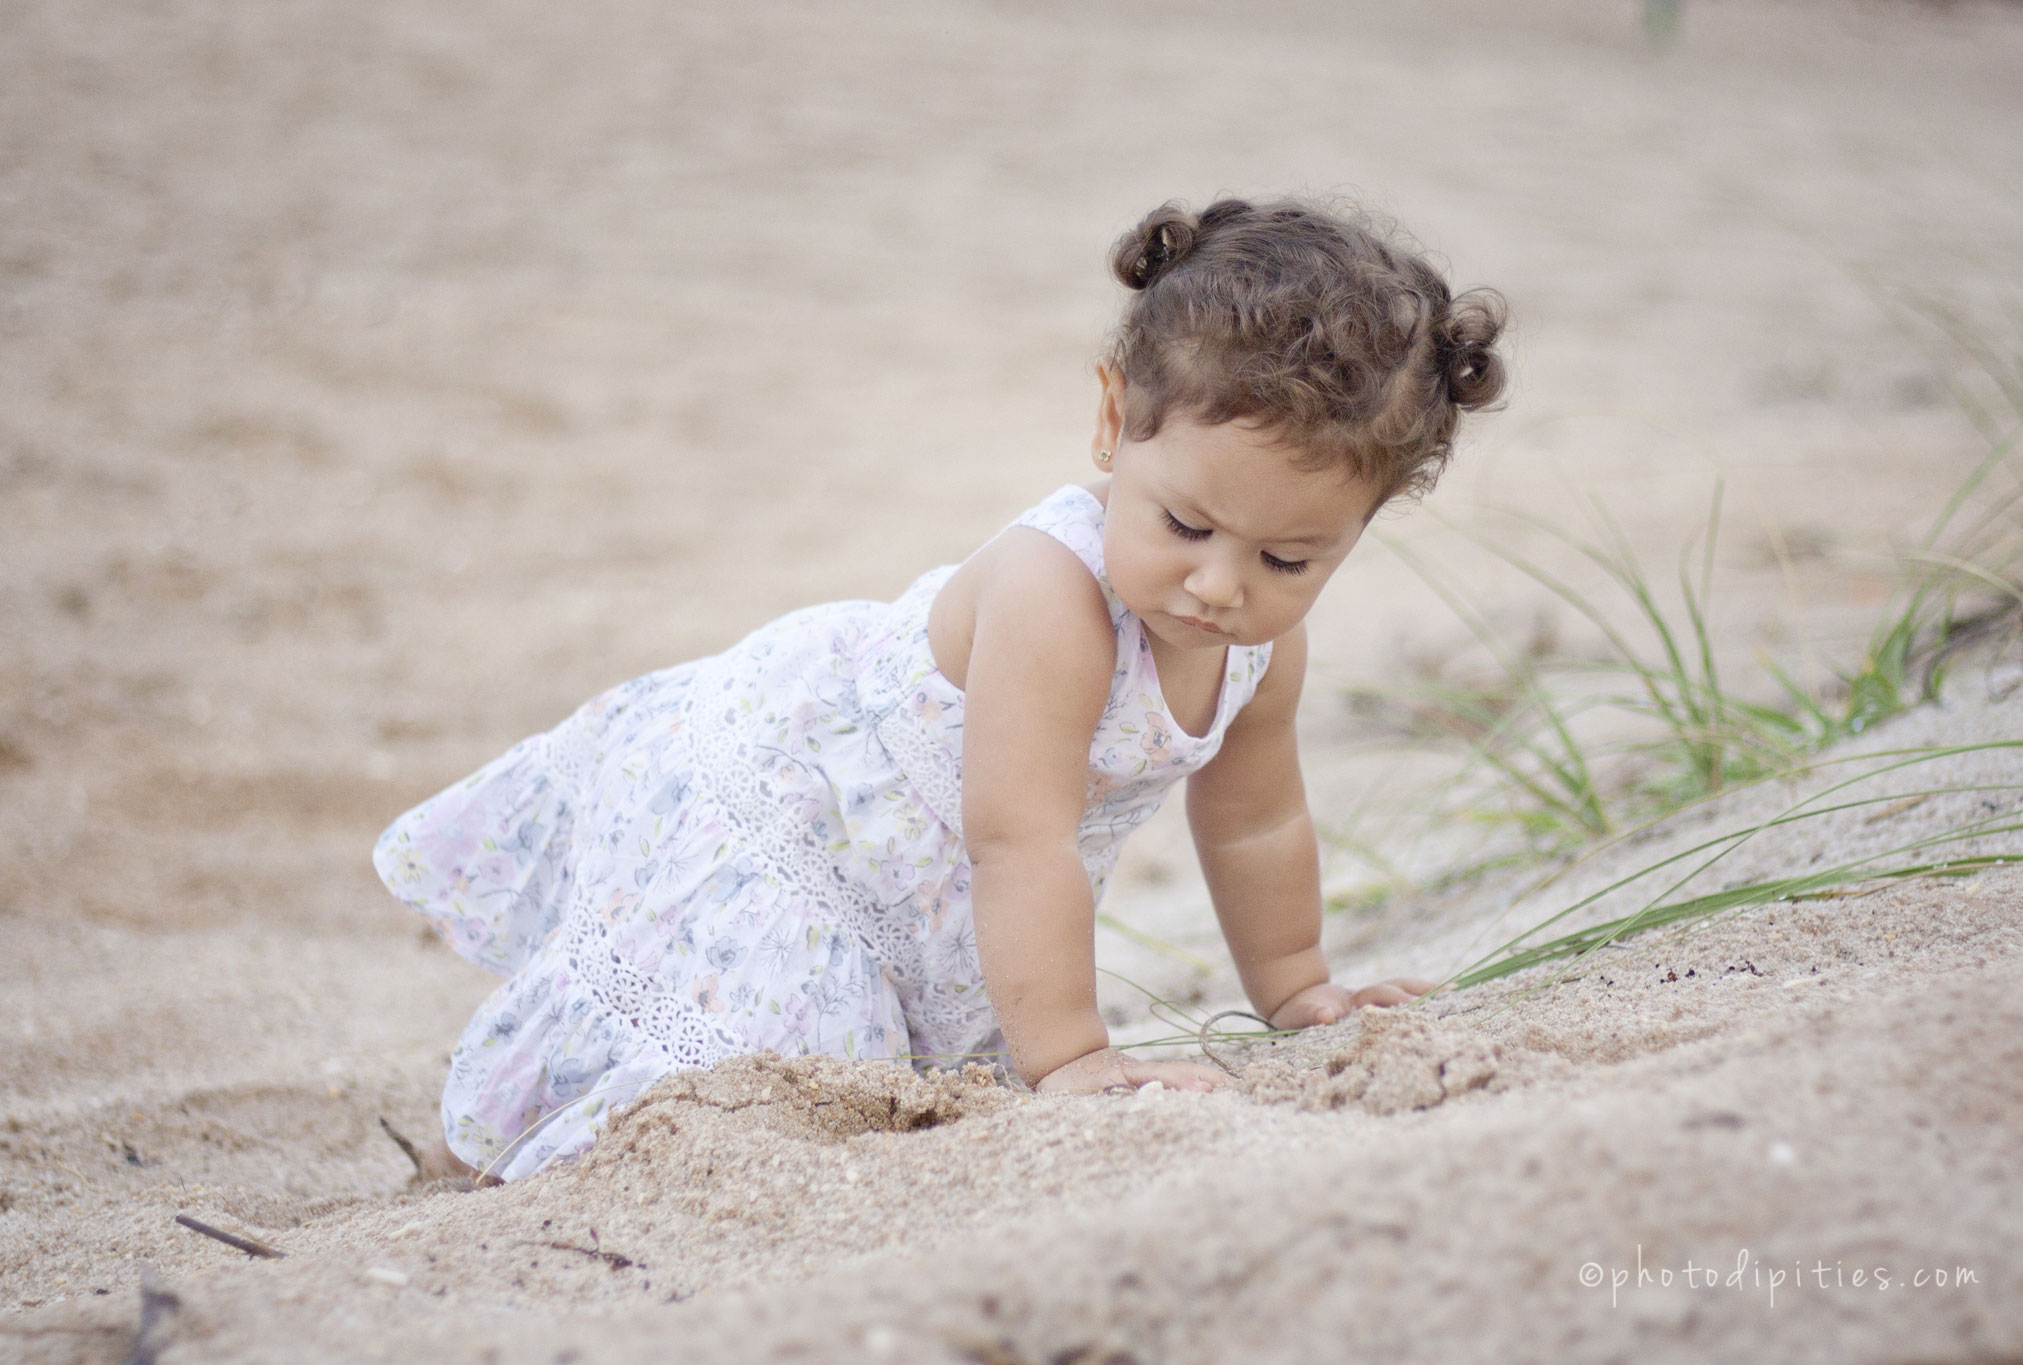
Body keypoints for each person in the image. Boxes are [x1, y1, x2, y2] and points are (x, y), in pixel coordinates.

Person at [372, 194, 1507, 1181]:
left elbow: (1257, 820)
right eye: (1186, 524)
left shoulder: (1262, 648)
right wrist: (1070, 1057)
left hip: (919, 871)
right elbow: (1018, 840)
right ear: (1114, 422)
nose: (1219, 587)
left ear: (1357, 530)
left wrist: (1298, 988)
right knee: (749, 1046)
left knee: (855, 1065)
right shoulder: (1050, 595)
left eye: (1287, 560)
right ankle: (497, 1149)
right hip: (811, 814)